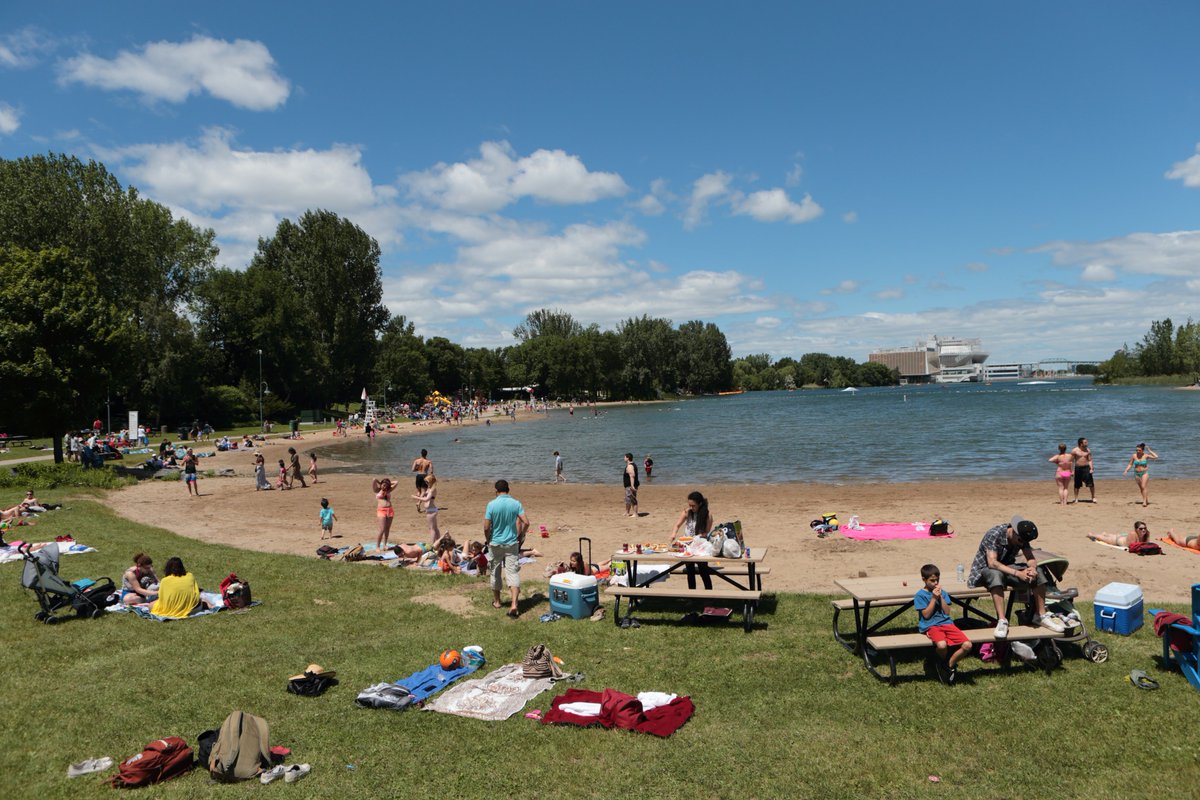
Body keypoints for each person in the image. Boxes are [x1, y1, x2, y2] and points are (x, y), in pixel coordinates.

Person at [966, 515, 1066, 638]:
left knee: (1039, 572)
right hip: (984, 571)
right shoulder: (994, 534)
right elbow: (992, 563)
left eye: (1025, 542)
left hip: (1007, 568)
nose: (1022, 544)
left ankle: (1041, 616)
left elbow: (1030, 558)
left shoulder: (1022, 538)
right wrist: (1018, 573)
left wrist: (1032, 569)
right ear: (1013, 531)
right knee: (994, 574)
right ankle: (1002, 620)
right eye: (1020, 541)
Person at [915, 564, 973, 684]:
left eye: (937, 580)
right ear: (924, 579)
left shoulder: (943, 593)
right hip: (931, 625)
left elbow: (947, 612)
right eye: (932, 580)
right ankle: (937, 662)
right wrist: (933, 599)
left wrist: (940, 597)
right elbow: (926, 615)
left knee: (967, 645)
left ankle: (948, 665)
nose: (935, 583)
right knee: (941, 645)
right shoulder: (920, 595)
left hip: (947, 624)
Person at [484, 479, 529, 618]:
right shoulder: (516, 503)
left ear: (496, 491)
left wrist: (488, 539)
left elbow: (486, 526)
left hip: (496, 543)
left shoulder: (491, 504)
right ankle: (514, 604)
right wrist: (521, 535)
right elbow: (526, 522)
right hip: (511, 543)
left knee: (495, 571)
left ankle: (497, 602)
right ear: (508, 489)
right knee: (512, 572)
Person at [670, 490, 716, 589]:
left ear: (700, 503)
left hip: (700, 547)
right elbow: (677, 525)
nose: (691, 508)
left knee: (703, 571)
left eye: (693, 505)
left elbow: (706, 533)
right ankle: (692, 595)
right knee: (690, 572)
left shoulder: (707, 515)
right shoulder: (687, 512)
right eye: (689, 505)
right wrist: (673, 534)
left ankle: (709, 594)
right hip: (687, 546)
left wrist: (697, 538)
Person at [1123, 443, 1158, 507]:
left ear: (1142, 450)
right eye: (1137, 450)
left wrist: (1150, 451)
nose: (1138, 451)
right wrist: (1126, 470)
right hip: (1136, 473)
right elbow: (1130, 464)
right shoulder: (1134, 456)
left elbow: (1156, 457)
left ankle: (1144, 502)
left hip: (1144, 473)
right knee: (1141, 488)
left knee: (1143, 486)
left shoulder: (1146, 456)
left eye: (1139, 450)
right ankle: (1146, 499)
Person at [412, 474, 442, 544]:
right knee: (435, 528)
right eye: (426, 482)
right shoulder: (429, 488)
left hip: (431, 510)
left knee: (432, 529)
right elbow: (425, 495)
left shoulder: (432, 489)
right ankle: (438, 542)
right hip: (430, 510)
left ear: (431, 482)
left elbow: (426, 499)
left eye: (427, 482)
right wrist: (419, 501)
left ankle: (432, 544)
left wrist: (416, 497)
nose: (426, 483)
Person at [1070, 437, 1095, 503]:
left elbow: (1090, 460)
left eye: (1087, 442)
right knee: (1077, 485)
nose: (1087, 443)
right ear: (1081, 444)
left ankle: (1093, 497)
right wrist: (1071, 471)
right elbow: (1071, 461)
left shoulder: (1088, 450)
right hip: (1078, 468)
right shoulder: (1074, 450)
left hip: (1086, 468)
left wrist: (1091, 468)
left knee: (1091, 483)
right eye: (1085, 442)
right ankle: (1076, 498)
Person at [373, 477, 396, 549]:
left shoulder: (389, 490)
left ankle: (385, 544)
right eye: (383, 485)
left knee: (387, 528)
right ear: (381, 484)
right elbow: (374, 479)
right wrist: (380, 482)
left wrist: (388, 483)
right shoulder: (377, 490)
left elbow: (396, 482)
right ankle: (377, 546)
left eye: (386, 485)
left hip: (390, 510)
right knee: (382, 529)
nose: (384, 486)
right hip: (381, 511)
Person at [622, 453, 640, 517]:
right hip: (628, 486)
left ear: (628, 458)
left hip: (630, 486)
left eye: (624, 457)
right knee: (627, 499)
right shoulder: (631, 465)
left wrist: (632, 486)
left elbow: (632, 476)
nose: (624, 458)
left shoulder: (630, 466)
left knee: (632, 499)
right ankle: (627, 512)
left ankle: (635, 513)